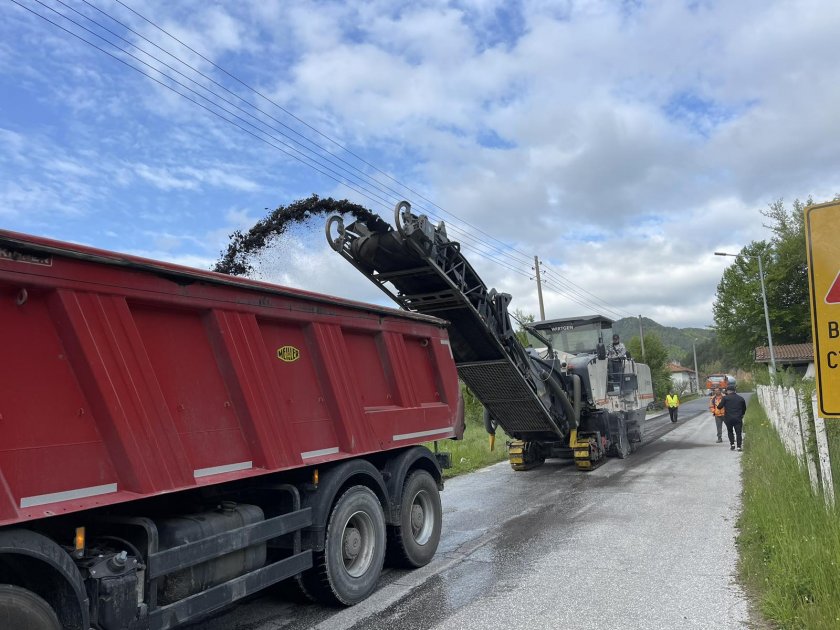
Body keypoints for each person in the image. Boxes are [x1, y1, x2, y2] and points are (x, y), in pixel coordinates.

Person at [717, 385, 747, 451]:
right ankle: (739, 446)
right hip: (738, 418)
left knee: (730, 431)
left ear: (728, 391)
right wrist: (742, 414)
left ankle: (732, 444)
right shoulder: (741, 398)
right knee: (738, 432)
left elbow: (719, 407)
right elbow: (744, 408)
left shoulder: (725, 398)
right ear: (734, 390)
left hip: (728, 418)